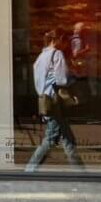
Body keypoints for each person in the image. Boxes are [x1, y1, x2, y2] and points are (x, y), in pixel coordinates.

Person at [26, 29, 83, 172]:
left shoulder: (41, 56)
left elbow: (39, 82)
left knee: (67, 140)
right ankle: (29, 170)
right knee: (51, 140)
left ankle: (80, 172)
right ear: (58, 40)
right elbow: (62, 80)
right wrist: (74, 76)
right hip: (55, 102)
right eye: (65, 41)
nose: (66, 45)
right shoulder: (57, 54)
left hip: (46, 100)